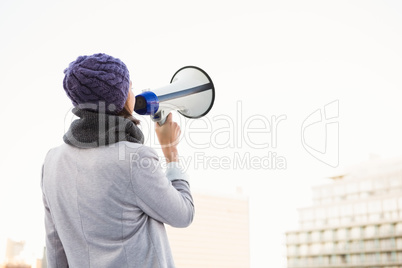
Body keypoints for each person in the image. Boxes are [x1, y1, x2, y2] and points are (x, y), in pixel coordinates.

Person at [41, 53, 194, 267]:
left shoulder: (52, 161)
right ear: (121, 96)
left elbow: (55, 249)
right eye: (130, 87)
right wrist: (171, 151)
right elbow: (183, 214)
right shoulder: (135, 158)